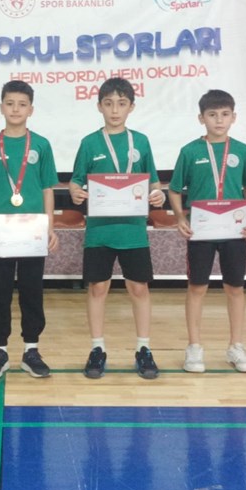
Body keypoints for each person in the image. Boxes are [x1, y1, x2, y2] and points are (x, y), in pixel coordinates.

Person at [69, 78, 166, 380]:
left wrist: (158, 195)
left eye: (121, 104)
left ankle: (143, 348)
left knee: (139, 288)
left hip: (133, 231)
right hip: (99, 231)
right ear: (99, 106)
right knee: (98, 288)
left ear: (131, 107)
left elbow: (154, 182)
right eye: (109, 104)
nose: (115, 110)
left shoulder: (142, 142)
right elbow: (76, 180)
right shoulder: (89, 143)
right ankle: (97, 348)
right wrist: (75, 192)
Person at [168, 89, 246, 374]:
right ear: (201, 118)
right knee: (197, 287)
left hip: (234, 231)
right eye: (212, 115)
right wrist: (180, 217)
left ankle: (236, 346)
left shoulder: (242, 150)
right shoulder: (190, 151)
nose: (219, 120)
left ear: (234, 117)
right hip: (201, 231)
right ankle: (194, 347)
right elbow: (174, 189)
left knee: (236, 288)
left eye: (224, 114)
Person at [0, 81, 59, 378]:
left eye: (22, 104)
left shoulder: (41, 145)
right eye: (10, 103)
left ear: (31, 110)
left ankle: (31, 350)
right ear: (1, 107)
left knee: (31, 291)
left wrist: (50, 227)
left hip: (33, 232)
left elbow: (48, 189)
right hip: (0, 233)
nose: (15, 109)